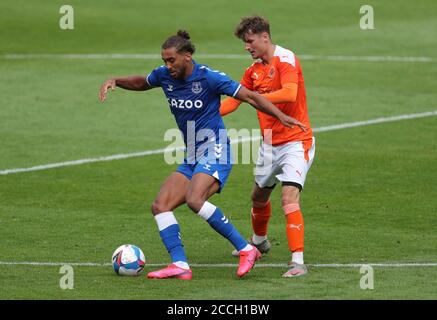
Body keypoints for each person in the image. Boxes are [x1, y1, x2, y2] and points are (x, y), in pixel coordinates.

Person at [99, 30, 305, 280]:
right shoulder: (164, 75)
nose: (167, 65)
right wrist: (116, 80)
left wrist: (281, 115)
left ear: (187, 56)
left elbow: (250, 96)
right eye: (164, 60)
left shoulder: (209, 78)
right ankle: (180, 264)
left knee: (194, 199)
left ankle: (246, 249)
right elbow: (143, 82)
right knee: (160, 205)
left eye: (171, 60)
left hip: (216, 149)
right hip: (193, 153)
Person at [220, 16, 315, 277]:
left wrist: (255, 97)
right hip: (270, 144)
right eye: (244, 42)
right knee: (258, 197)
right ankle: (259, 241)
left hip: (296, 141)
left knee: (288, 198)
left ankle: (297, 262)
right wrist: (212, 113)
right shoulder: (253, 71)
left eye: (249, 41)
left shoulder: (285, 59)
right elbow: (236, 100)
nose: (246, 47)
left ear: (264, 37)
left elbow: (289, 93)